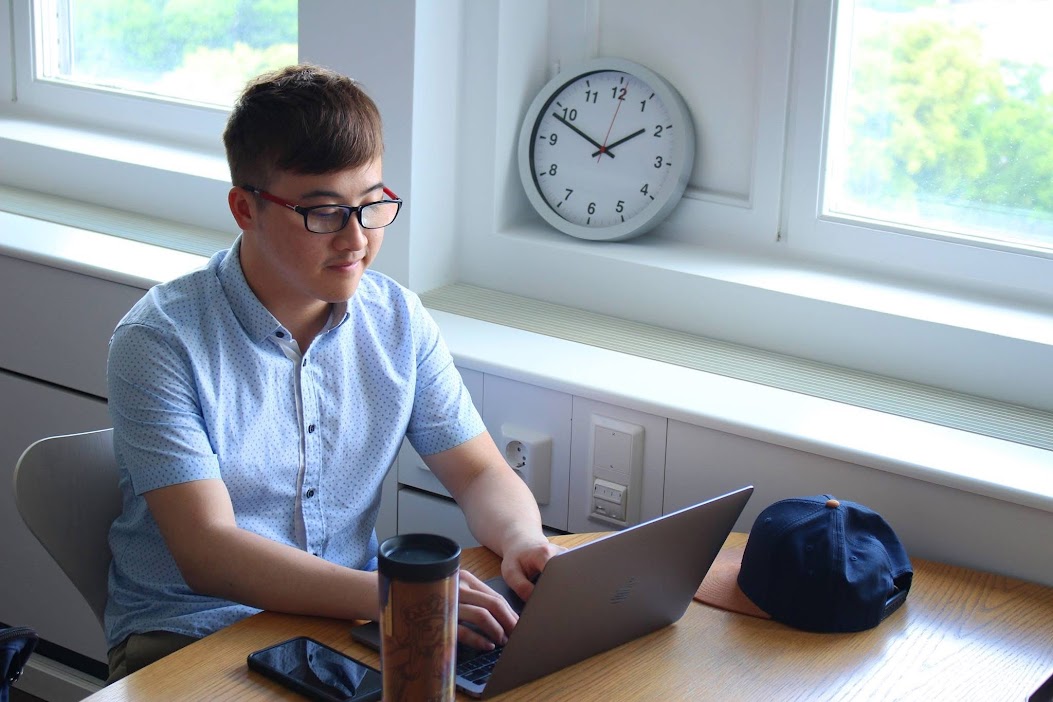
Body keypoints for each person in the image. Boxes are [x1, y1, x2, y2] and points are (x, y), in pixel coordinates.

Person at [104, 63, 561, 682]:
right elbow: (207, 552)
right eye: (323, 213)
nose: (355, 240)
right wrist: (398, 597)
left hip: (347, 623)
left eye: (371, 205)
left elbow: (478, 470)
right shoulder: (159, 341)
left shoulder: (397, 318)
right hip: (192, 633)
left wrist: (522, 540)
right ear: (246, 208)